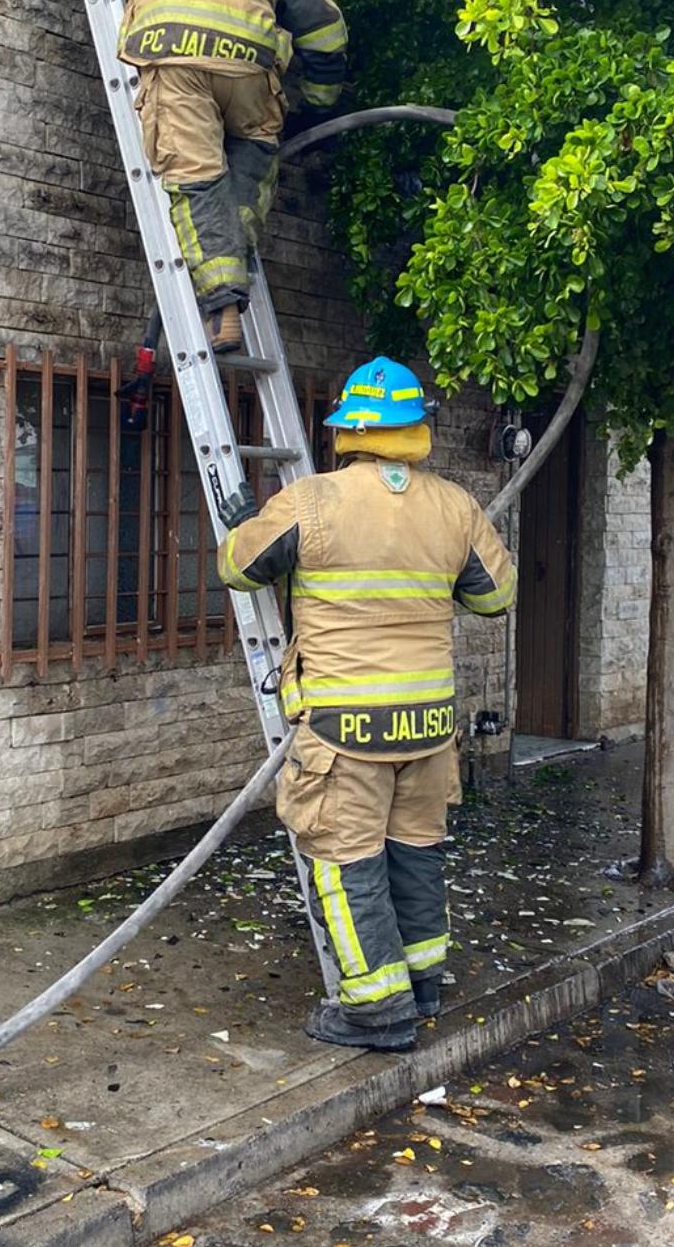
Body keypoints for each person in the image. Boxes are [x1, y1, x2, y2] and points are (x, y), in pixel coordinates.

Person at [218, 358, 514, 1050]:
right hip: (430, 726)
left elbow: (237, 567)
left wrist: (243, 524)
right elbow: (495, 598)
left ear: (349, 428)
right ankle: (424, 984)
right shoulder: (455, 505)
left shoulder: (310, 501)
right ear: (416, 429)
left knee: (346, 864)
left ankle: (376, 1011)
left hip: (344, 728)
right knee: (415, 852)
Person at [86, 0, 349, 355]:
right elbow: (326, 34)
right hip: (250, 72)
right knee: (247, 171)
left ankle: (223, 304)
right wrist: (314, 107)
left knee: (197, 177)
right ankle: (233, 269)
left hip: (174, 54)